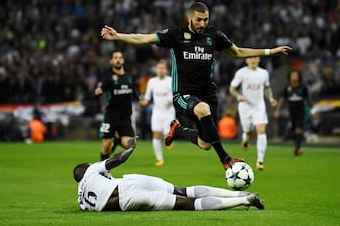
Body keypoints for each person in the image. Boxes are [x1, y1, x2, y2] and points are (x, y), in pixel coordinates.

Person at [100, 2, 292, 169]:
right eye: (199, 20)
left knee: (205, 143)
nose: (202, 24)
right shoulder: (176, 34)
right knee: (203, 110)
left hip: (208, 94)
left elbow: (238, 51)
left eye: (206, 19)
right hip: (183, 94)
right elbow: (145, 38)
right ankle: (226, 159)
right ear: (189, 18)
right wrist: (118, 36)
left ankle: (179, 130)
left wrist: (271, 51)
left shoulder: (213, 35)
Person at [73, 137, 265, 211]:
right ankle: (239, 194)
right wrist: (130, 148)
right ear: (86, 168)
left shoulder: (81, 200)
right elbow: (116, 160)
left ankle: (244, 200)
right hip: (128, 183)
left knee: (189, 205)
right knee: (184, 191)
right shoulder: (91, 170)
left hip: (127, 200)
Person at [229, 57, 277, 170]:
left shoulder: (264, 73)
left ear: (259, 59)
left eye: (255, 58)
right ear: (247, 60)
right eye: (250, 58)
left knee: (261, 130)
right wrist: (238, 96)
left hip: (259, 106)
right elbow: (232, 89)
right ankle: (245, 139)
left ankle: (260, 161)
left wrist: (271, 98)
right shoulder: (241, 72)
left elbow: (267, 87)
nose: (253, 60)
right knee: (248, 131)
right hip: (245, 106)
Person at [95, 51, 136, 160]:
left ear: (123, 60)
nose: (118, 59)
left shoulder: (129, 76)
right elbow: (101, 86)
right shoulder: (108, 77)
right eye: (115, 58)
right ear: (111, 61)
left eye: (120, 57)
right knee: (107, 144)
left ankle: (117, 141)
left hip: (125, 117)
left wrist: (141, 99)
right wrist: (98, 90)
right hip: (111, 116)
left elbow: (134, 91)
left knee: (131, 145)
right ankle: (105, 171)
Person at [139, 59, 175, 166]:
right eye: (159, 68)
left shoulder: (171, 80)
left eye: (163, 68)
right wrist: (145, 101)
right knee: (156, 135)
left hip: (169, 111)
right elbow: (147, 96)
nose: (161, 70)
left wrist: (173, 100)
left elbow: (176, 93)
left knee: (166, 136)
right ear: (156, 70)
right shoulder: (152, 81)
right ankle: (160, 159)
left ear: (166, 70)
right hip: (157, 112)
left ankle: (170, 139)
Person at [274, 70, 312, 156]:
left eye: (296, 75)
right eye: (292, 75)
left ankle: (298, 148)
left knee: (299, 129)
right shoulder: (287, 87)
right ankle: (297, 145)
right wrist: (277, 110)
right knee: (294, 130)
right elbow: (282, 100)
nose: (294, 77)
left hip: (301, 111)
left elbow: (308, 99)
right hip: (291, 112)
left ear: (299, 77)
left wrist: (312, 110)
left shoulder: (303, 87)